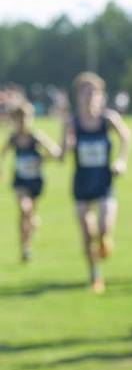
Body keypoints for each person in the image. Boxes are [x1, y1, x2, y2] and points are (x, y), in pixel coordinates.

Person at [63, 72, 132, 293]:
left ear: (101, 96)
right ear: (78, 96)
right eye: (85, 92)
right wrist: (66, 146)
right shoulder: (72, 122)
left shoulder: (108, 119)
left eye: (94, 92)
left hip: (104, 181)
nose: (89, 96)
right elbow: (63, 151)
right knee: (86, 231)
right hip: (82, 182)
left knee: (104, 227)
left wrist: (121, 161)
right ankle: (94, 274)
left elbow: (126, 137)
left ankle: (105, 240)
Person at [2, 101, 62, 262]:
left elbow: (56, 153)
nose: (23, 121)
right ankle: (25, 248)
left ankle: (29, 235)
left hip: (35, 181)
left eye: (26, 117)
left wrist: (42, 158)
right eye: (19, 118)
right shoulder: (13, 138)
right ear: (14, 120)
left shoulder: (36, 137)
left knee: (29, 214)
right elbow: (3, 153)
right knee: (24, 209)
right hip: (20, 180)